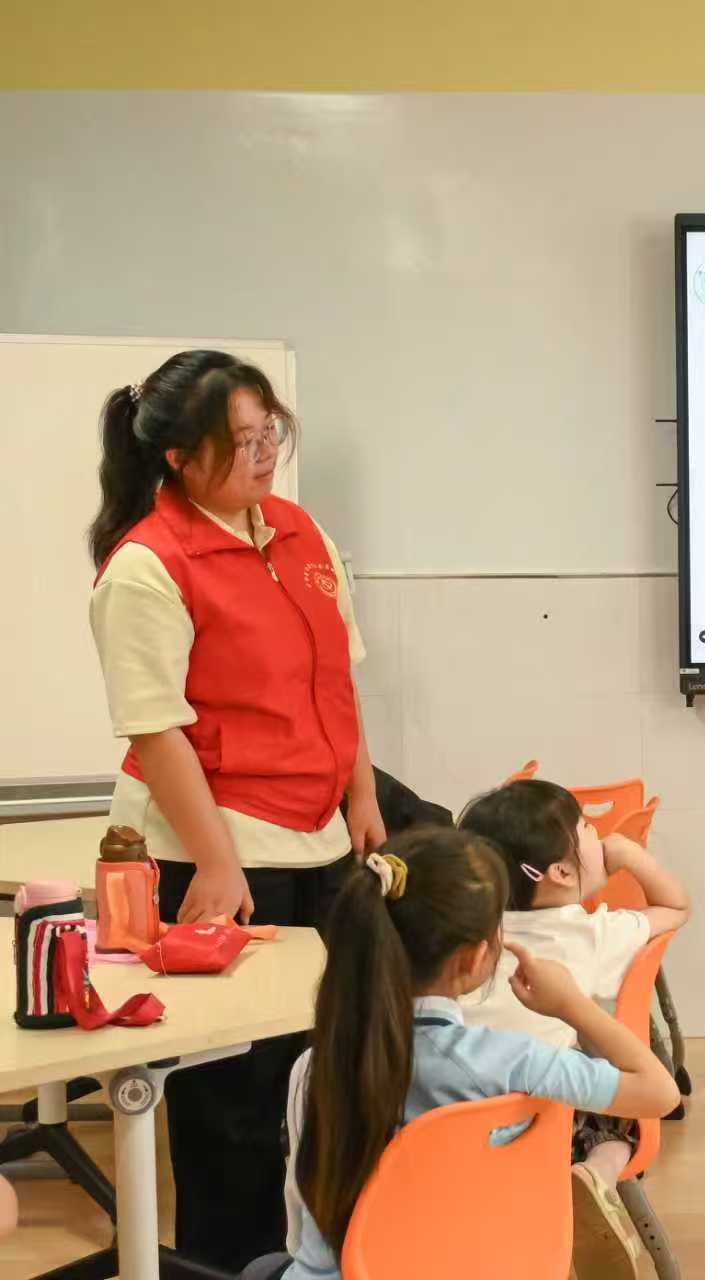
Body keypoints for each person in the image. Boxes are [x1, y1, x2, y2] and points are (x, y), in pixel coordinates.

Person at [86, 350, 384, 1270]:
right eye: (240, 442)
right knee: (235, 1114)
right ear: (179, 458)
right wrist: (218, 863)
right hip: (219, 849)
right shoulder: (147, 565)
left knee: (318, 1085)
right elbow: (158, 731)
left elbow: (337, 678)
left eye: (269, 434)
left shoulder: (297, 531)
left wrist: (363, 794)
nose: (264, 456)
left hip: (319, 837)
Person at [244, 827, 682, 1280]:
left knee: (263, 1268)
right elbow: (660, 1092)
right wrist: (571, 1004)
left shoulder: (315, 1068)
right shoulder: (510, 1061)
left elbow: (303, 1234)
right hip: (492, 1267)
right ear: (474, 959)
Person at [456, 777, 691, 1260]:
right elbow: (676, 906)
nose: (599, 837)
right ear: (561, 872)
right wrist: (629, 855)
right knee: (618, 1113)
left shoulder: (463, 939)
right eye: (587, 828)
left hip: (453, 1131)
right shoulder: (591, 935)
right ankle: (595, 1174)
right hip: (542, 1132)